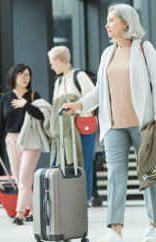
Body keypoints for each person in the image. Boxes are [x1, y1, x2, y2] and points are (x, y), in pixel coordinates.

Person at [63, 3, 156, 242]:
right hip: (113, 126)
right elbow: (100, 90)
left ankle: (154, 224)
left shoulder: (144, 49)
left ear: (126, 23)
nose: (107, 25)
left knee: (148, 174)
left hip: (143, 124)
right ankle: (116, 231)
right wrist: (78, 105)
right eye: (107, 20)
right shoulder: (107, 54)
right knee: (115, 177)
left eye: (111, 20)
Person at [0, 64, 45, 225]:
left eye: (28, 75)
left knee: (25, 177)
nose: (26, 78)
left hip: (30, 141)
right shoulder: (6, 98)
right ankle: (33, 209)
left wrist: (25, 105)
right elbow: (0, 124)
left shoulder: (33, 95)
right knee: (20, 179)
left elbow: (42, 116)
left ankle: (19, 214)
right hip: (11, 140)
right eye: (22, 74)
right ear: (14, 76)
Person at [47, 46, 96, 204]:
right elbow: (55, 107)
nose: (51, 66)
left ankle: (84, 198)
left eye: (52, 62)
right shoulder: (59, 81)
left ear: (60, 61)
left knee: (84, 162)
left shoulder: (79, 76)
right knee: (65, 162)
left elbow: (94, 101)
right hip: (66, 131)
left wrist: (75, 110)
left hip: (81, 126)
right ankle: (70, 197)